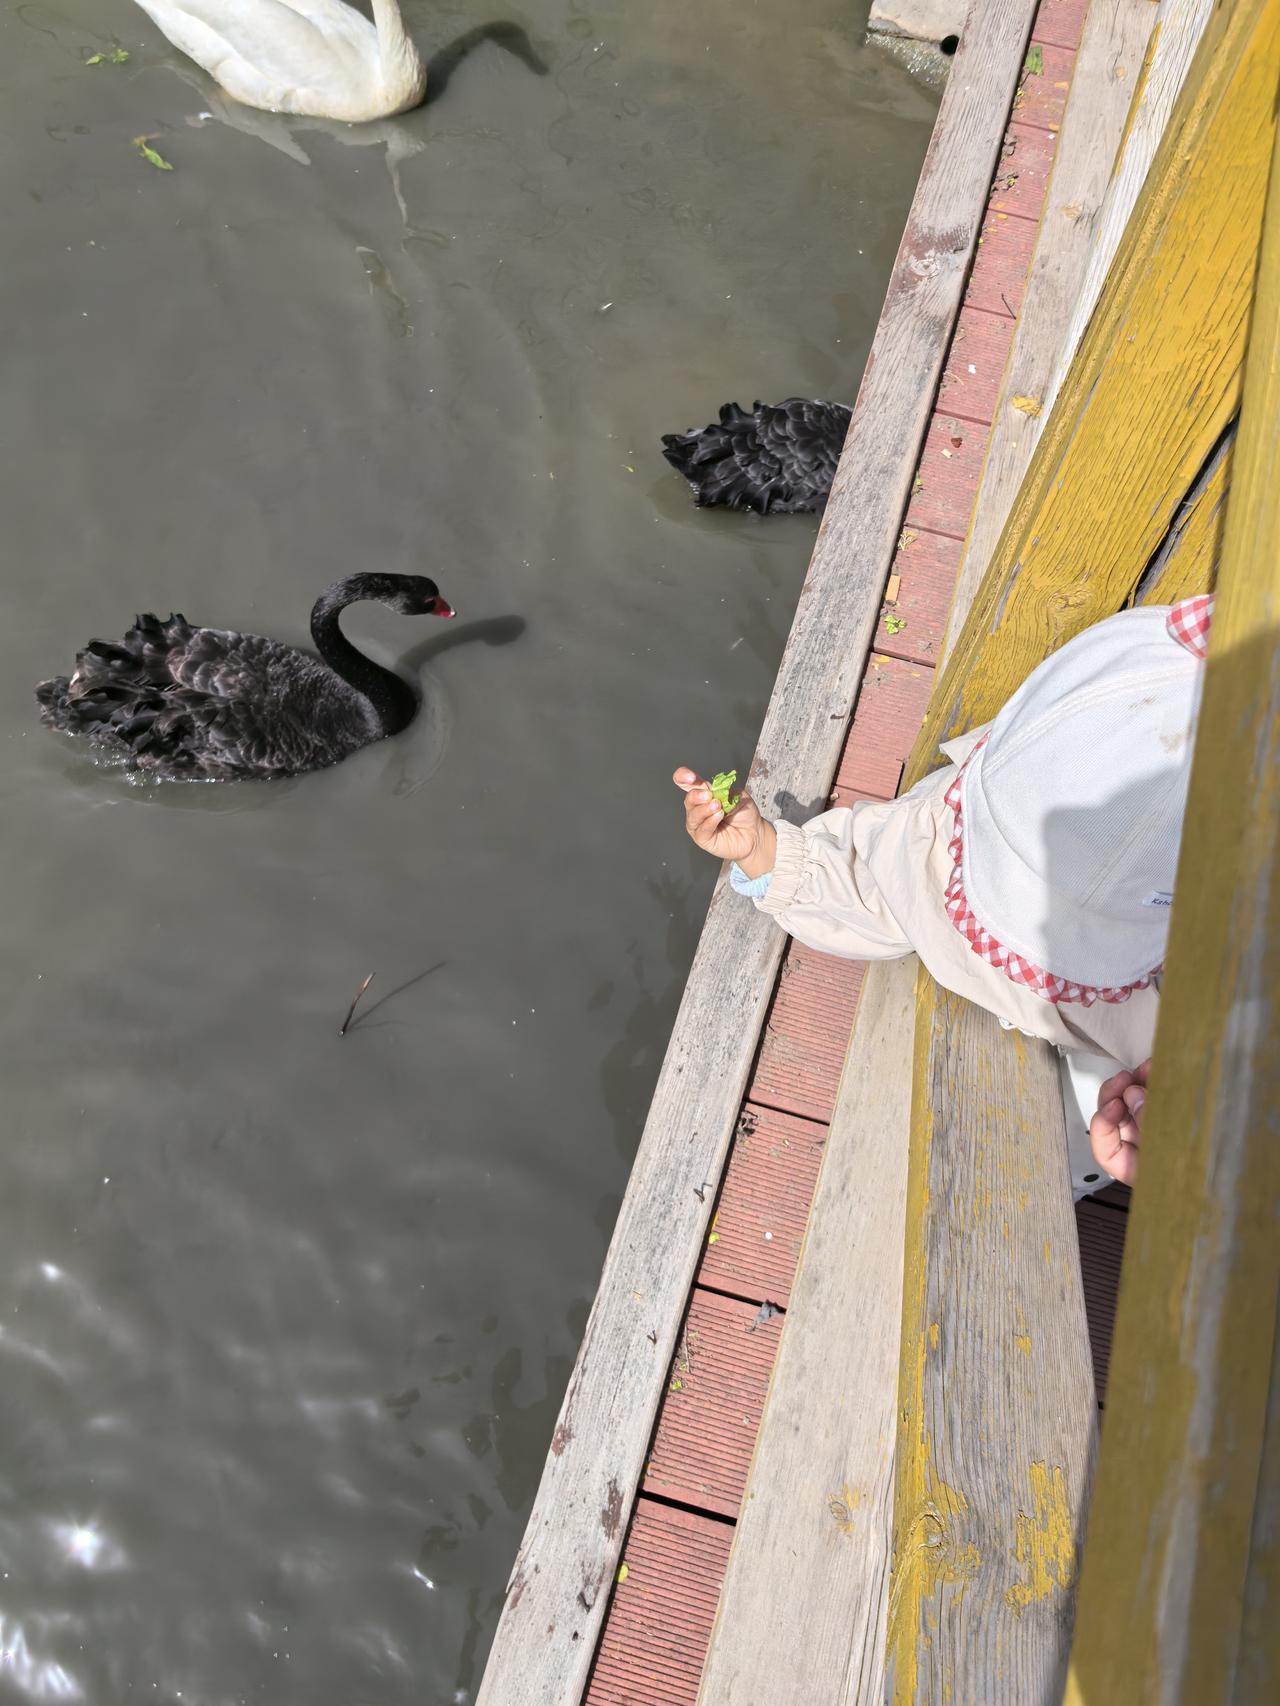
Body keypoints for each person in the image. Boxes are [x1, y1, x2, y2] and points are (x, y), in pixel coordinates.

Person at [675, 597, 1212, 1193]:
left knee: (1101, 1125)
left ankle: (1075, 1173)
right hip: (1122, 942)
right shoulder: (936, 848)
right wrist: (761, 851)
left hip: (1143, 1005)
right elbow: (867, 881)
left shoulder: (1187, 1014)